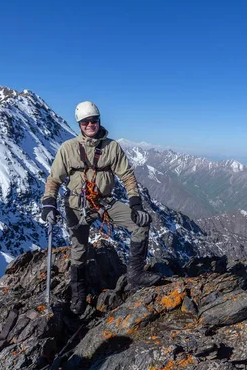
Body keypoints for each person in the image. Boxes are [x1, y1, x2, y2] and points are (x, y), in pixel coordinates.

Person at [41, 101, 162, 315]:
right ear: (79, 124)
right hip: (76, 205)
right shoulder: (68, 149)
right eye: (85, 122)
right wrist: (49, 203)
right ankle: (79, 295)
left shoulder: (112, 147)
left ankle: (135, 276)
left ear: (99, 121)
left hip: (104, 202)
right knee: (79, 249)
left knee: (141, 223)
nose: (90, 125)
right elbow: (54, 180)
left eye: (93, 121)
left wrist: (135, 203)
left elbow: (127, 177)